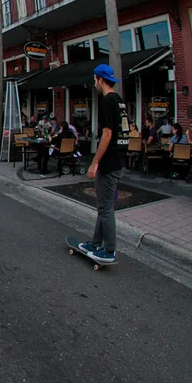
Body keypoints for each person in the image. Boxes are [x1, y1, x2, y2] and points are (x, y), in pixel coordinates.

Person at [79, 64, 129, 264]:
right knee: (104, 206)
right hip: (118, 160)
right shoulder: (119, 101)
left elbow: (107, 134)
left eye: (94, 80)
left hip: (109, 163)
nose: (94, 84)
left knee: (106, 208)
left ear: (100, 80)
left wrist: (95, 162)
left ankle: (109, 250)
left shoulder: (107, 101)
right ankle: (95, 243)